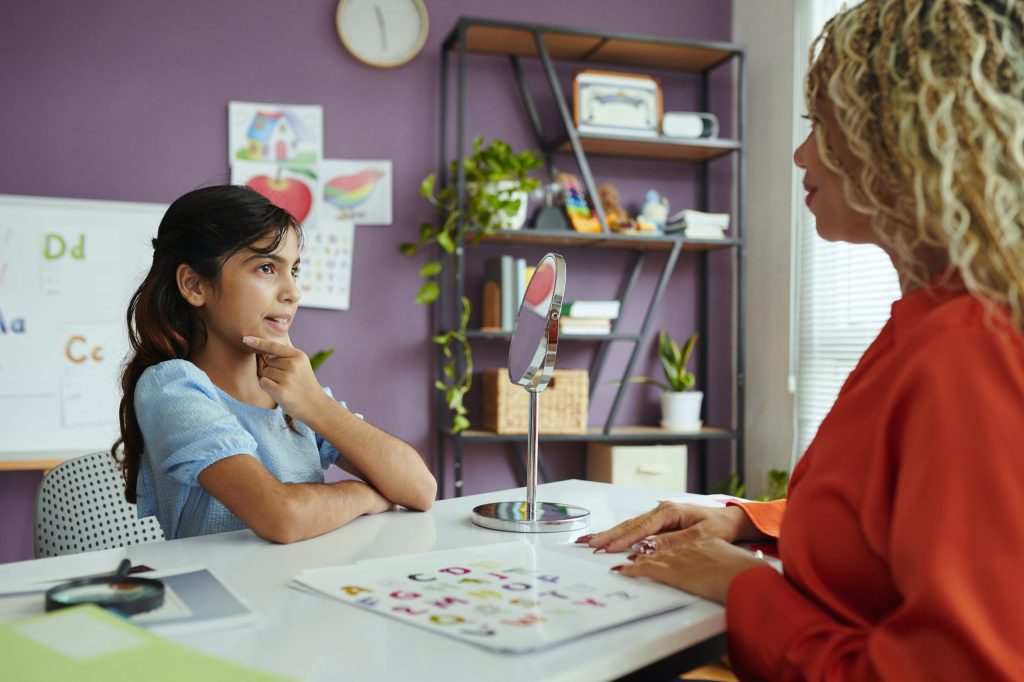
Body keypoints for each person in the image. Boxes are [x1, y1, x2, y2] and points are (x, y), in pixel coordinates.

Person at [581, 1, 1024, 678]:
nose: (799, 153)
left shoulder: (971, 346)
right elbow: (892, 522)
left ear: (900, 137)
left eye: (821, 123)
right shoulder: (931, 320)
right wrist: (748, 522)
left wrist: (740, 585)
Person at [112, 185, 436, 543]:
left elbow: (420, 489)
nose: (292, 292)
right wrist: (366, 495)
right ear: (194, 285)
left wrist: (316, 405)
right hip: (222, 594)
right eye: (267, 268)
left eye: (293, 271)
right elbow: (282, 517)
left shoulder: (294, 392)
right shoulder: (172, 387)